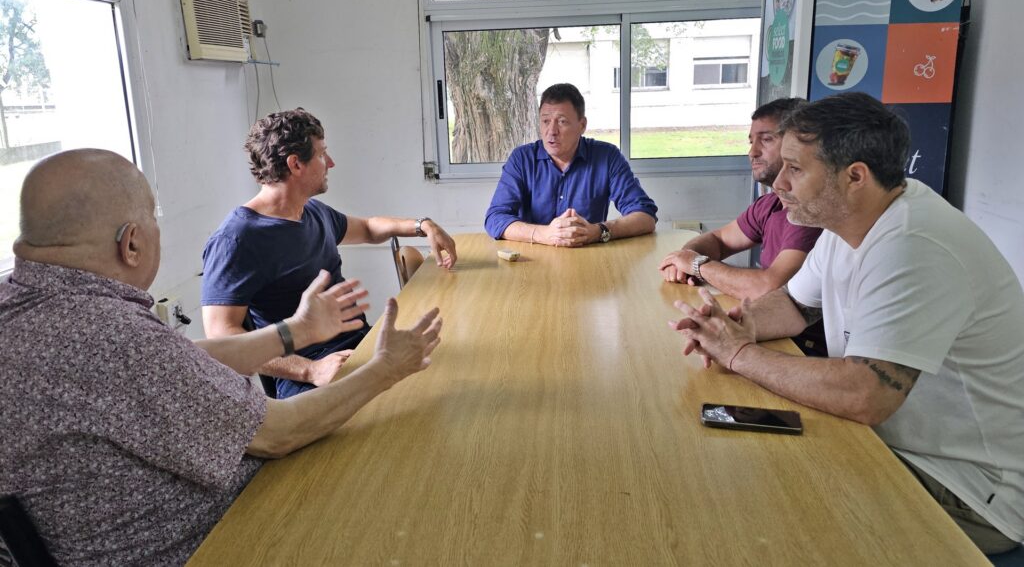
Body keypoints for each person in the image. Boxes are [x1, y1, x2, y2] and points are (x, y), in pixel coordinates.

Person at [0, 149, 443, 565]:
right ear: (131, 244)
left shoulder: (26, 307)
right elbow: (279, 433)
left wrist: (295, 331)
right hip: (218, 542)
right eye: (154, 217)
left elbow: (179, 355)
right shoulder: (116, 336)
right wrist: (386, 369)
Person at [670, 92, 1024, 554]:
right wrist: (735, 323)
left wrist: (738, 353)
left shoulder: (913, 244)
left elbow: (864, 394)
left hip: (967, 489)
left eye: (795, 169)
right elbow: (795, 306)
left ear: (855, 176)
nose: (778, 183)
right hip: (886, 443)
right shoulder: (852, 222)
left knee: (753, 516)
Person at [202, 108, 457, 398]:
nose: (331, 163)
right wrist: (309, 370)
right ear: (296, 164)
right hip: (310, 374)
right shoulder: (236, 239)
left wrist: (422, 225)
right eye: (323, 154)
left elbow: (370, 228)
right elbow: (221, 335)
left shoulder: (311, 212)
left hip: (360, 347)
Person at [658, 98, 827, 355]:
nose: (752, 152)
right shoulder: (770, 204)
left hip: (802, 349)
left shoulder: (810, 213)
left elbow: (770, 286)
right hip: (770, 331)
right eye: (751, 141)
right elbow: (719, 239)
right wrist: (686, 260)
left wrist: (695, 265)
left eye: (766, 140)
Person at [484, 83, 657, 247]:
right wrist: (545, 235)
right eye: (545, 121)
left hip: (587, 257)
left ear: (582, 125)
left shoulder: (606, 157)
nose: (551, 131)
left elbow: (645, 216)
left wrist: (598, 231)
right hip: (531, 259)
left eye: (562, 121)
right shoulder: (522, 159)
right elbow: (495, 218)